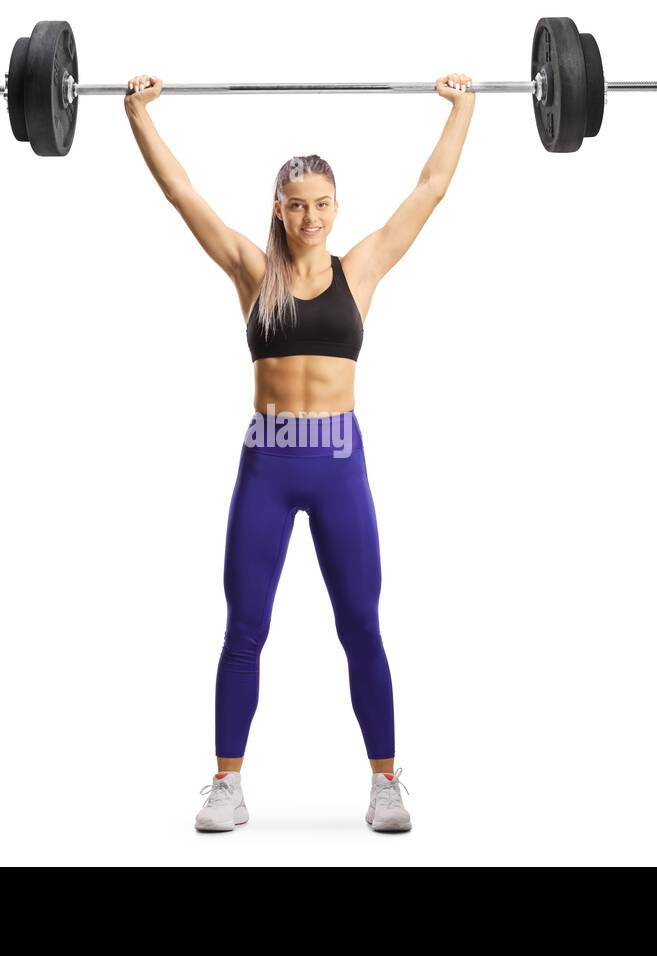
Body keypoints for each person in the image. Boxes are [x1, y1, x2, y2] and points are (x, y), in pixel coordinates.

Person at [123, 70, 474, 832]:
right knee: (245, 627)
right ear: (278, 211)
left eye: (321, 204)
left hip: (339, 462)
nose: (310, 216)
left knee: (361, 625)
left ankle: (385, 781)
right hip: (271, 464)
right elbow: (182, 194)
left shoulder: (364, 268)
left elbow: (431, 188)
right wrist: (137, 112)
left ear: (335, 208)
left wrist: (463, 106)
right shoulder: (254, 271)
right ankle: (226, 784)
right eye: (296, 205)